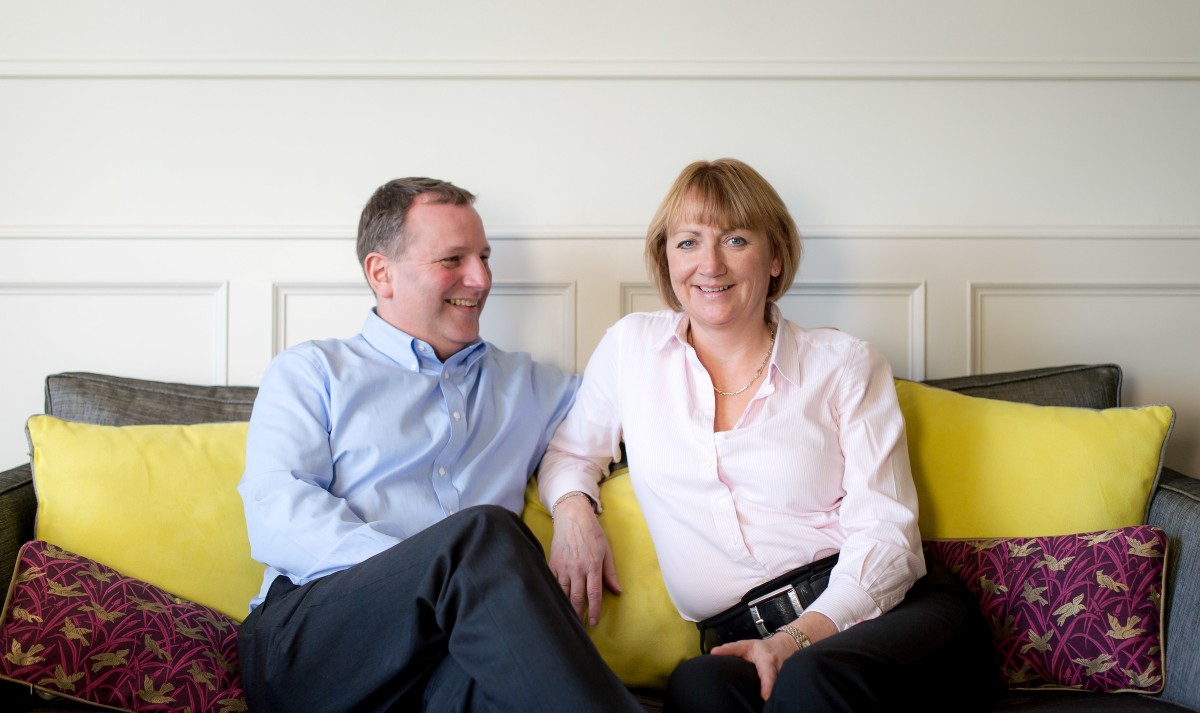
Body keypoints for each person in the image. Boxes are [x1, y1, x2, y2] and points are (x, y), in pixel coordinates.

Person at [538, 159, 1000, 711]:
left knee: (810, 679)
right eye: (688, 242)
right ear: (667, 259)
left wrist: (792, 641)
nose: (710, 264)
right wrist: (572, 510)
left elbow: (888, 537)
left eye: (735, 239)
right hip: (738, 638)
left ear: (775, 256)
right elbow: (571, 451)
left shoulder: (844, 364)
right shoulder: (630, 349)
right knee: (698, 690)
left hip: (876, 613)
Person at [236, 177, 645, 713]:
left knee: (499, 683)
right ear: (381, 273)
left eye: (484, 257)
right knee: (483, 535)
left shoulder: (527, 385)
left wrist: (572, 504)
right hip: (313, 642)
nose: (481, 279)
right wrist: (429, 573)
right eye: (453, 259)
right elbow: (277, 509)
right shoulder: (313, 371)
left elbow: (623, 422)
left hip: (445, 654)